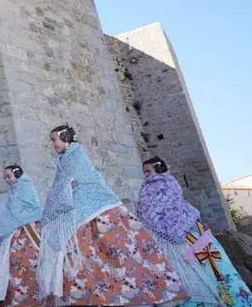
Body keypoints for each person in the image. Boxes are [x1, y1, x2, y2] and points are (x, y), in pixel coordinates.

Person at [37, 124, 188, 305]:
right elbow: (62, 189)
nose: (52, 143)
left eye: (54, 139)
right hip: (83, 214)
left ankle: (145, 291)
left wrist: (69, 204)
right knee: (93, 260)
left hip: (98, 211)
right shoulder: (64, 160)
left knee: (116, 252)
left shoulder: (76, 157)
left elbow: (84, 183)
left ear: (65, 138)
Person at [138, 157, 252, 306]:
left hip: (188, 237)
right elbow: (146, 213)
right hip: (165, 240)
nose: (147, 176)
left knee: (211, 273)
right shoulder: (147, 189)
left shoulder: (168, 184)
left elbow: (172, 206)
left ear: (158, 169)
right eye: (144, 172)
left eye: (149, 171)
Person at [0, 165, 43, 306]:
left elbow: (29, 209)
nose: (6, 180)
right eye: (5, 177)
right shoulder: (14, 190)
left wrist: (16, 225)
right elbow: (10, 213)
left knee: (25, 263)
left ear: (17, 175)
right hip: (15, 232)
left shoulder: (25, 188)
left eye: (8, 176)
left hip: (27, 231)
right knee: (7, 265)